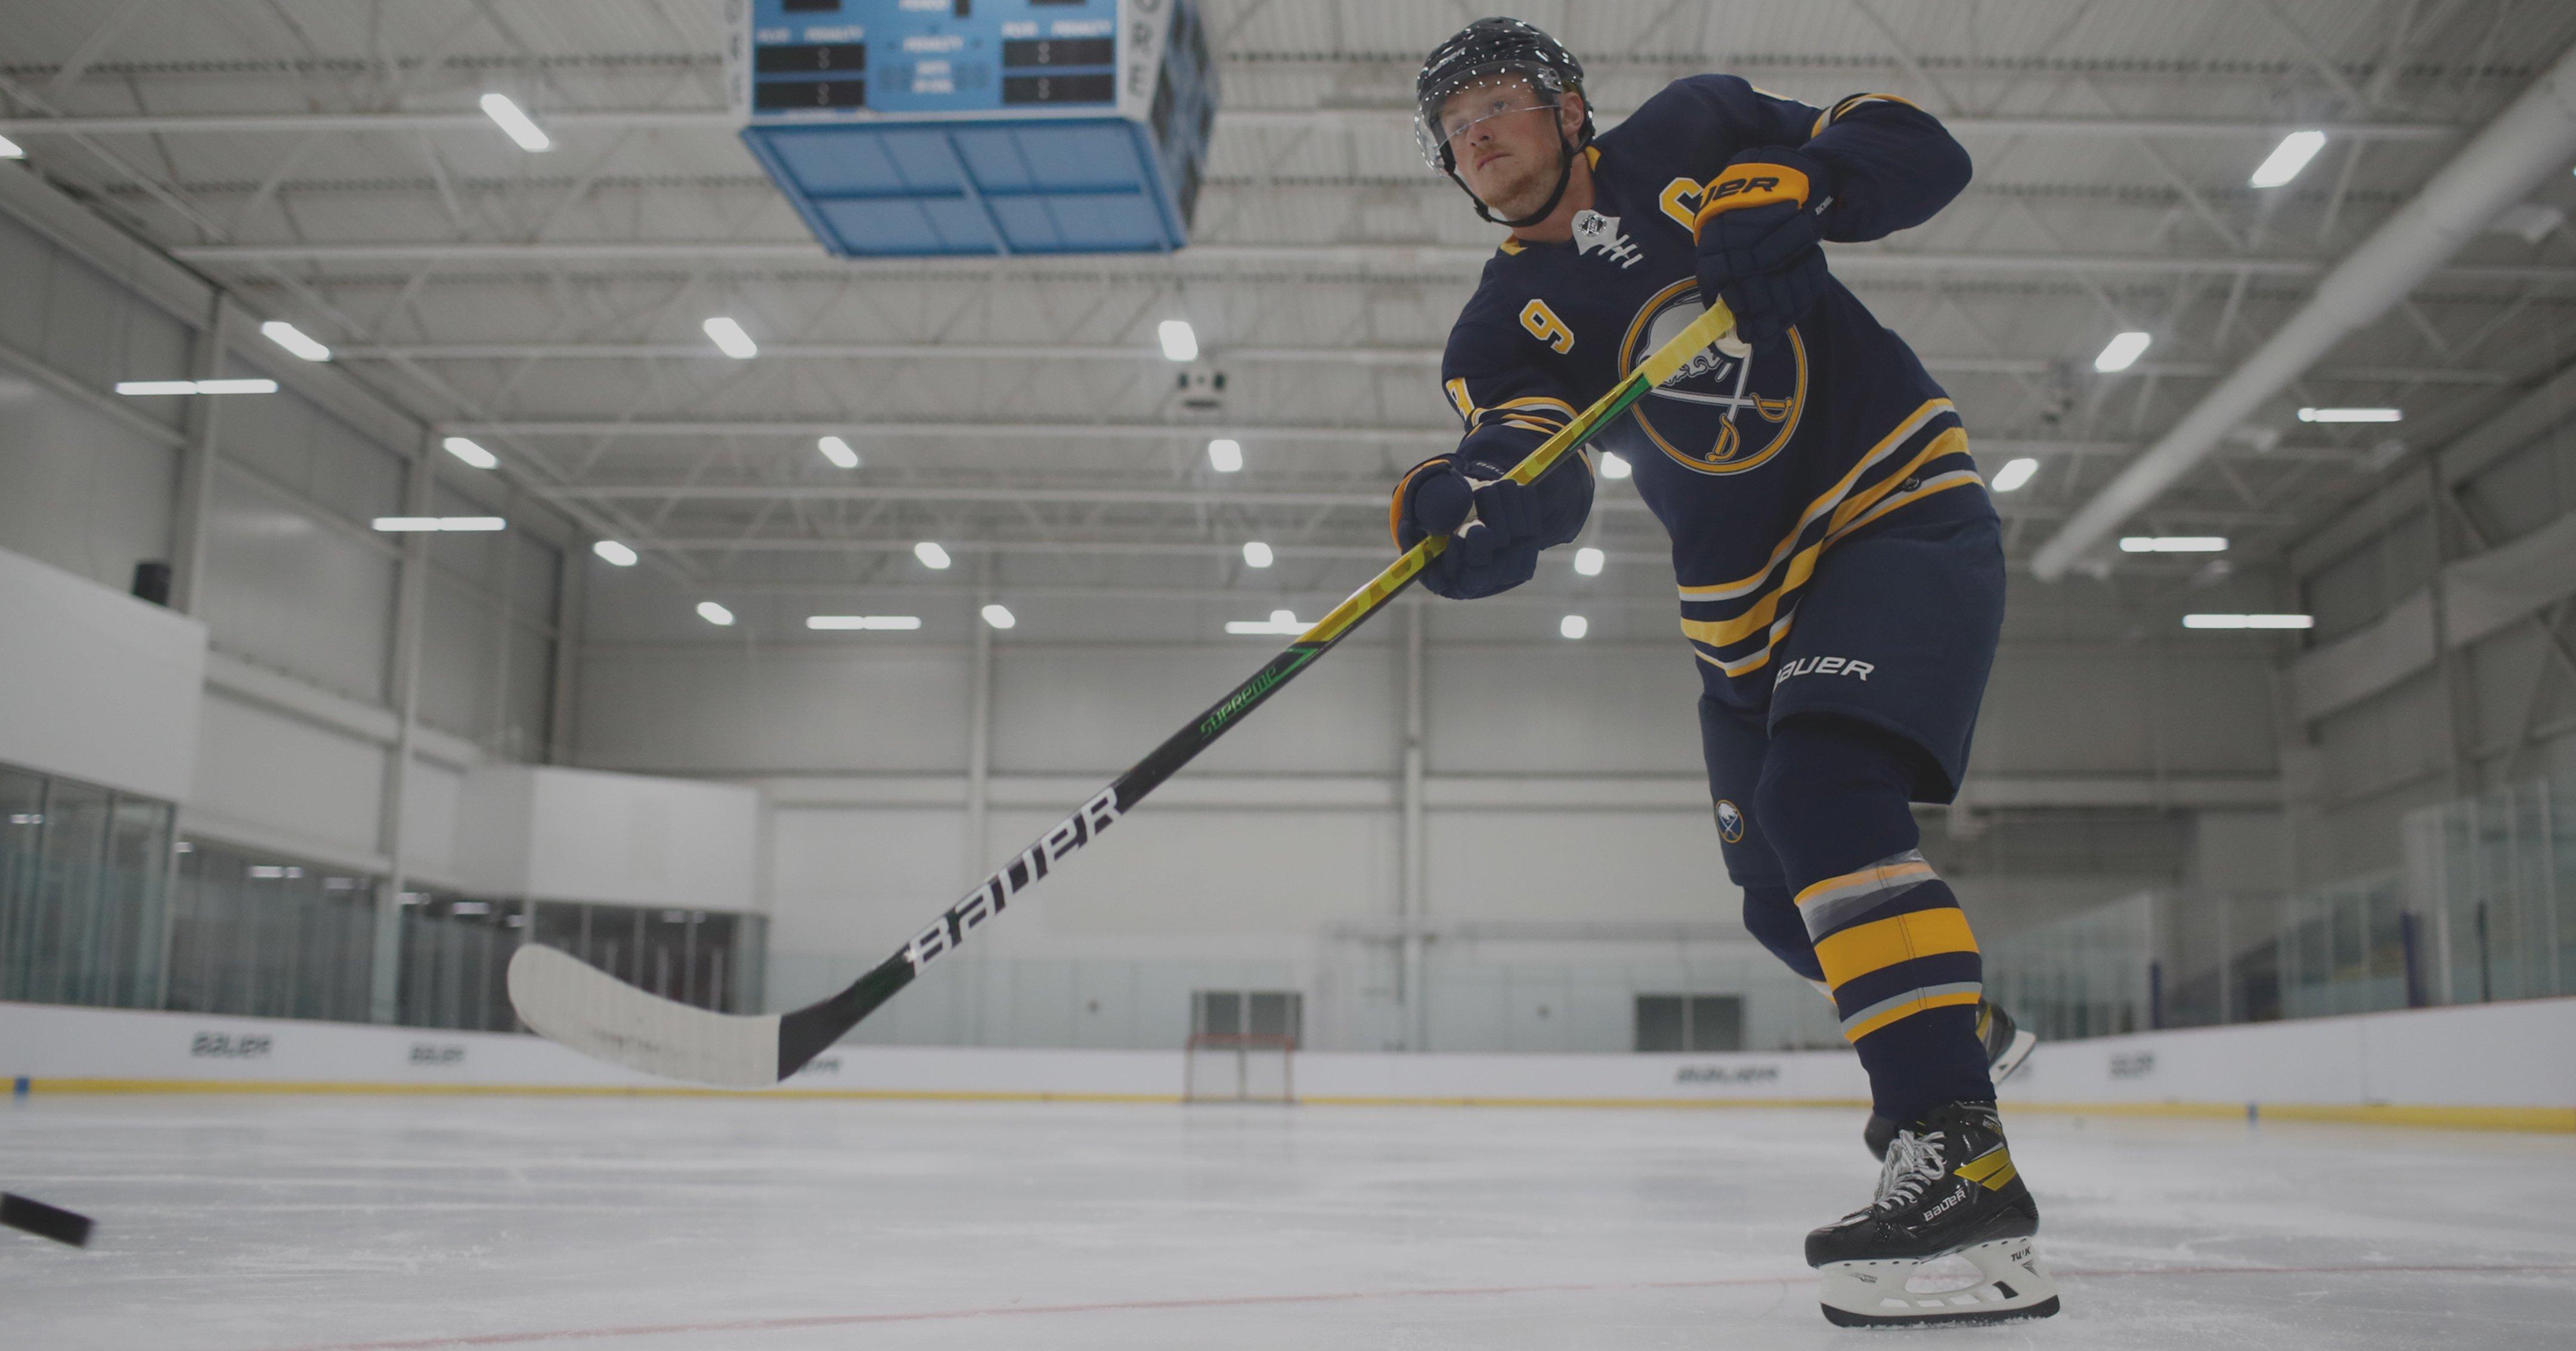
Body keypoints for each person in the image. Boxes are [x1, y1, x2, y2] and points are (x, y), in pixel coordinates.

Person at [1392, 17, 2055, 1328]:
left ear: (1569, 108)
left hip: (1892, 507)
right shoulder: (1495, 329)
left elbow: (1920, 150)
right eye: (1455, 130)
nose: (1479, 136)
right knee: (1776, 906)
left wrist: (1807, 180)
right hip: (1743, 615)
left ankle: (1954, 1145)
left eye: (1499, 103)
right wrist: (1473, 504)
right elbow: (1536, 461)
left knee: (1823, 795)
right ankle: (1955, 1029)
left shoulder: (1698, 127)